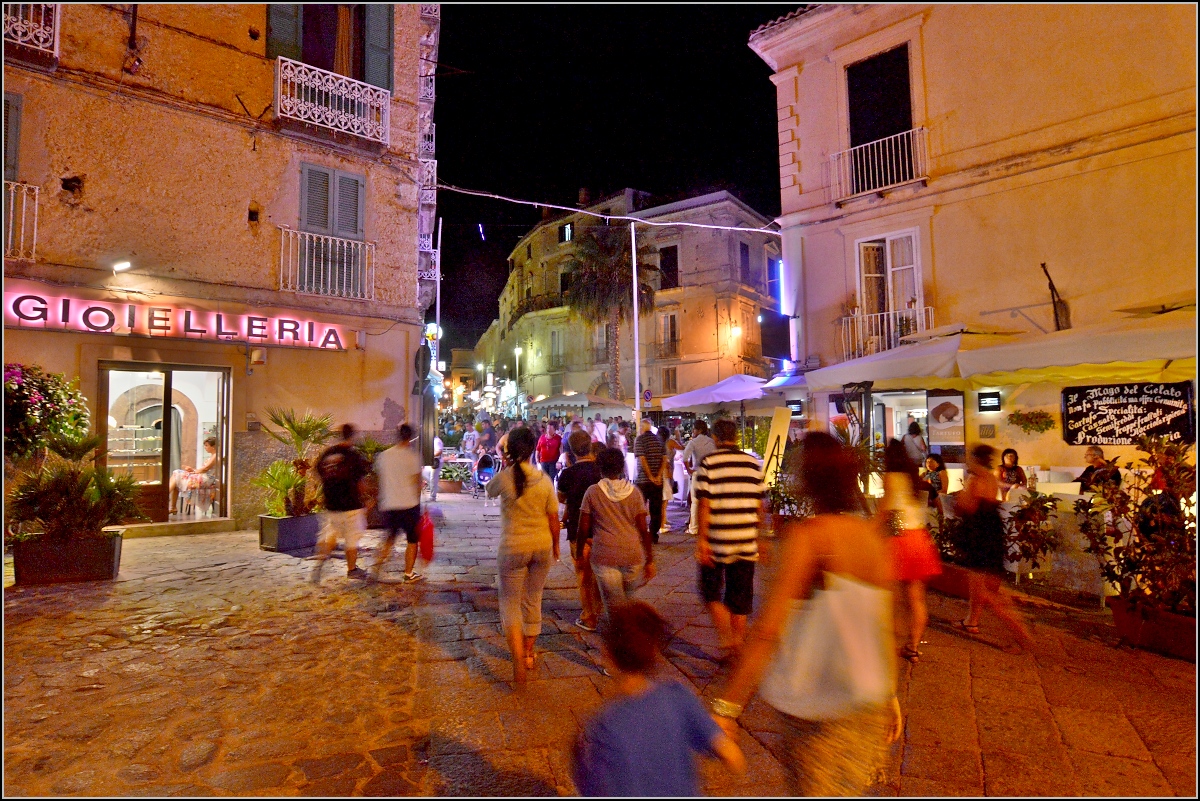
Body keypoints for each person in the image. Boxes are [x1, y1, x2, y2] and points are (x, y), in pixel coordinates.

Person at [707, 432, 903, 797]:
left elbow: (768, 629)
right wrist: (890, 696)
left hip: (818, 711)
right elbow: (884, 629)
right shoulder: (872, 539)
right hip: (867, 703)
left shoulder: (810, 538)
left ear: (808, 480)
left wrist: (726, 706)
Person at [573, 601, 745, 796]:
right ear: (654, 653)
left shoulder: (603, 728)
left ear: (607, 655)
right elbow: (733, 758)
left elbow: (594, 788)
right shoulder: (678, 696)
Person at [486, 426, 561, 683]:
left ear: (510, 451)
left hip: (513, 548)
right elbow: (554, 517)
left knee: (510, 602)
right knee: (533, 599)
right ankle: (529, 653)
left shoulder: (506, 477)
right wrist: (556, 547)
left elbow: (489, 489)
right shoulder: (544, 480)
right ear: (532, 450)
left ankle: (517, 657)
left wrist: (506, 463)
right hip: (541, 546)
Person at [693, 418, 767, 665]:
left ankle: (729, 641)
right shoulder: (752, 464)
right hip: (746, 539)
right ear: (735, 437)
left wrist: (702, 539)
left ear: (715, 438)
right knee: (740, 597)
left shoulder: (709, 462)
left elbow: (705, 503)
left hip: (718, 540)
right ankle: (738, 644)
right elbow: (760, 505)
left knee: (710, 592)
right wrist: (760, 536)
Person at [954, 444, 1034, 651]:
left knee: (986, 591)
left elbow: (967, 507)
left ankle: (1021, 633)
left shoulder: (975, 480)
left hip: (979, 535)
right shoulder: (990, 477)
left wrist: (959, 499)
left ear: (974, 459)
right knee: (980, 584)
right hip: (992, 531)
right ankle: (971, 621)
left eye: (968, 457)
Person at [881, 440, 942, 663]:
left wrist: (874, 530)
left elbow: (888, 512)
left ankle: (891, 643)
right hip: (919, 540)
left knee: (893, 596)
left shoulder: (891, 477)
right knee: (916, 599)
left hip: (901, 540)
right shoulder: (914, 479)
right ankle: (913, 647)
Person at [579, 448, 655, 618]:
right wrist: (650, 559)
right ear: (621, 467)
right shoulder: (634, 492)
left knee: (614, 608)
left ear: (600, 468)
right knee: (629, 603)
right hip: (632, 556)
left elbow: (583, 528)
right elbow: (644, 530)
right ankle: (631, 640)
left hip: (605, 556)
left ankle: (621, 639)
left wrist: (578, 553)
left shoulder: (592, 492)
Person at [311, 424, 372, 583]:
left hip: (331, 504)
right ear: (352, 436)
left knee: (330, 535)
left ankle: (320, 563)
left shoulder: (327, 454)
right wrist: (366, 499)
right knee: (352, 538)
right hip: (351, 505)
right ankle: (352, 569)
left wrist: (328, 487)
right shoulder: (353, 456)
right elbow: (360, 482)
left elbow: (317, 473)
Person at [558, 430, 605, 632]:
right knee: (598, 573)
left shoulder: (567, 474)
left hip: (578, 529)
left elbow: (561, 498)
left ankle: (588, 615)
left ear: (571, 451)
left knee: (582, 574)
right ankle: (599, 610)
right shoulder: (601, 470)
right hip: (601, 528)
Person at [370, 424, 425, 583]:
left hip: (390, 504)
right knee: (412, 540)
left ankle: (376, 568)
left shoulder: (384, 456)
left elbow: (377, 477)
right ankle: (408, 574)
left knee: (389, 538)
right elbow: (417, 483)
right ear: (410, 438)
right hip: (409, 505)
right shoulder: (413, 457)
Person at [634, 418, 666, 544]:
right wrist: (658, 476)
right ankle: (653, 535)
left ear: (642, 427)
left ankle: (641, 534)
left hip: (643, 480)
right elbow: (664, 459)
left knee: (640, 509)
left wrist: (650, 476)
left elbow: (642, 459)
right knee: (656, 508)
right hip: (658, 482)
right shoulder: (659, 439)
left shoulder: (640, 440)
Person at [169, 436, 219, 515]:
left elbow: (205, 469)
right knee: (176, 480)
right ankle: (173, 507)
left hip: (206, 479)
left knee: (176, 473)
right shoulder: (212, 456)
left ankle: (163, 497)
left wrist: (193, 472)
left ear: (213, 447)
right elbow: (203, 469)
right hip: (203, 476)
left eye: (207, 445)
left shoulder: (216, 456)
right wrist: (192, 470)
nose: (205, 447)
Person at [666, 428, 685, 498]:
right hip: (669, 467)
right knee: (667, 491)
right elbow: (683, 448)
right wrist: (678, 438)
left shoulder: (659, 442)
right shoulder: (670, 442)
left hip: (664, 467)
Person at [429, 432, 444, 501]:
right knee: (431, 478)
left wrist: (430, 455)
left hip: (436, 461)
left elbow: (439, 451)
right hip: (433, 461)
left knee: (433, 479)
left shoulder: (436, 441)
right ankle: (433, 492)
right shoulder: (434, 441)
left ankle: (433, 496)